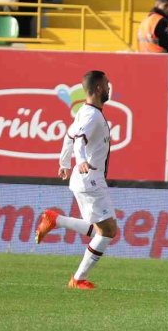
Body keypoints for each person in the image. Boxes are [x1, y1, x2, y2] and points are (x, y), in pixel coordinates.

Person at [35, 71, 120, 291]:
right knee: (108, 230)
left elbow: (70, 136)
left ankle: (55, 219)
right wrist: (79, 160)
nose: (110, 88)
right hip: (89, 180)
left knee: (102, 229)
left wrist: (63, 162)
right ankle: (78, 279)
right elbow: (79, 140)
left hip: (88, 179)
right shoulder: (92, 116)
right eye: (107, 85)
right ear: (99, 88)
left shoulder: (85, 111)